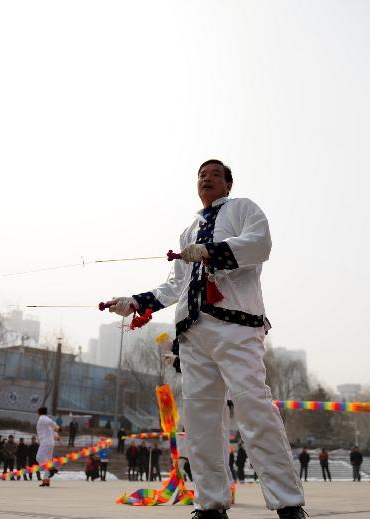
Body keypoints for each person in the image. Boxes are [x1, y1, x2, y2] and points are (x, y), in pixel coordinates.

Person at [103, 160, 306, 519]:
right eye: (201, 174)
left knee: (254, 408)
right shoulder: (189, 230)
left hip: (236, 326)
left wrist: (212, 250)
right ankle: (210, 504)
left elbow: (260, 245)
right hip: (193, 333)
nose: (206, 178)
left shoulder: (244, 209)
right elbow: (174, 285)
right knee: (200, 420)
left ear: (228, 184)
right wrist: (135, 302)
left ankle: (287, 502)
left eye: (214, 174)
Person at [36, 406, 60, 487]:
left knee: (39, 457)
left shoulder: (43, 418)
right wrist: (56, 435)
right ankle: (46, 481)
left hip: (45, 442)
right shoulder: (45, 420)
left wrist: (57, 428)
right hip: (50, 442)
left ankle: (51, 469)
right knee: (47, 461)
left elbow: (51, 424)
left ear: (39, 412)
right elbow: (51, 428)